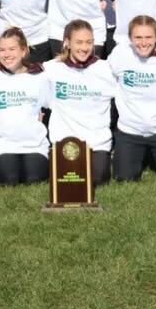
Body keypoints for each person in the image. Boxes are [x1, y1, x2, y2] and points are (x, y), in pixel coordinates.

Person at [108, 16, 156, 182]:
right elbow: (104, 79)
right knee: (123, 179)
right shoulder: (120, 54)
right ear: (129, 38)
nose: (143, 42)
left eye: (148, 37)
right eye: (138, 37)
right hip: (130, 131)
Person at [42, 19, 117, 185]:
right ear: (67, 43)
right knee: (66, 180)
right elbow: (23, 74)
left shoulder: (106, 69)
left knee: (97, 179)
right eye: (79, 42)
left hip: (97, 142)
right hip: (64, 142)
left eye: (89, 42)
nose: (84, 47)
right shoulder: (51, 69)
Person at [0, 27, 50, 184]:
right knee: (9, 180)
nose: (6, 54)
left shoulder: (40, 76)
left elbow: (50, 103)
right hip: (3, 145)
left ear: (24, 51)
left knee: (35, 179)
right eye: (2, 50)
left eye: (12, 49)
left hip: (34, 144)